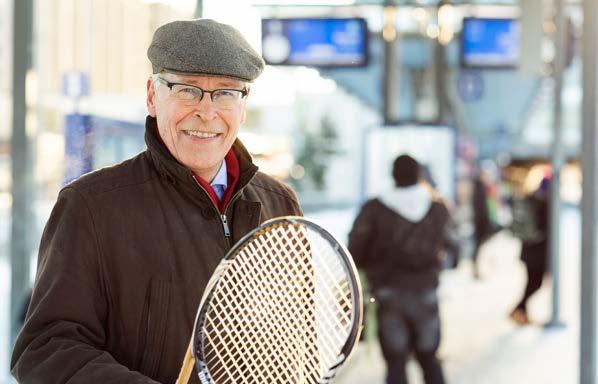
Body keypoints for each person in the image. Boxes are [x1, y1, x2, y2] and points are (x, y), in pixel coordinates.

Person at [11, 19, 302, 383]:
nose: (207, 112)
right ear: (152, 95)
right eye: (188, 90)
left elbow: (296, 344)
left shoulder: (280, 206)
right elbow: (46, 350)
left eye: (226, 92)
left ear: (244, 105)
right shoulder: (91, 206)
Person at [348, 154, 449, 384]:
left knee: (395, 362)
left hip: (387, 294)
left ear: (393, 175)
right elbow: (450, 246)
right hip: (426, 294)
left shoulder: (374, 208)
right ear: (418, 175)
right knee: (429, 357)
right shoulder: (437, 209)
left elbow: (355, 248)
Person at [509, 176, 550, 325]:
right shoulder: (545, 204)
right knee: (535, 283)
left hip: (528, 250)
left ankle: (521, 312)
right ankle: (517, 310)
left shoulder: (531, 199)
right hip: (538, 253)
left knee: (531, 283)